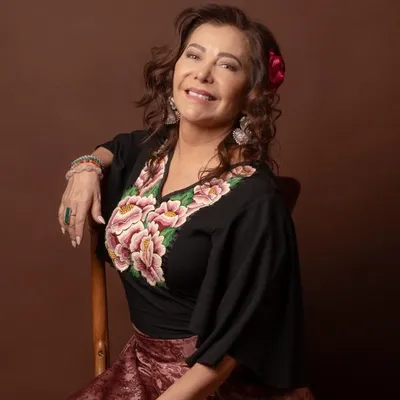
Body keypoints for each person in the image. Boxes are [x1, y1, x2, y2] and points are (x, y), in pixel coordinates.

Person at [59, 4, 315, 400]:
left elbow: (230, 348)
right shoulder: (152, 152)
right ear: (175, 68)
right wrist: (87, 168)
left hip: (211, 384)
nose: (202, 73)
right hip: (142, 366)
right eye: (194, 55)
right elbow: (118, 147)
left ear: (252, 92)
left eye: (227, 65)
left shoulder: (255, 200)